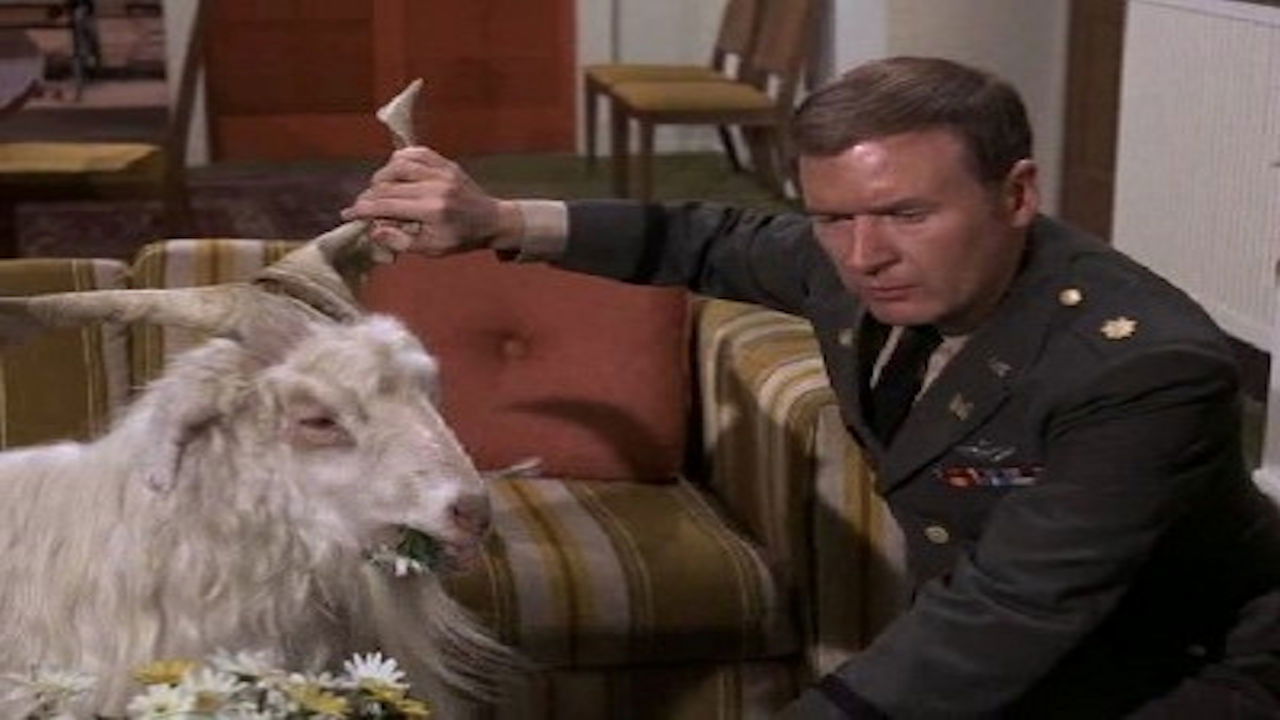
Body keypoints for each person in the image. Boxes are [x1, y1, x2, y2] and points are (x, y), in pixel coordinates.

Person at [342, 57, 1280, 718]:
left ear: (1018, 194)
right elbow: (703, 238)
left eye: (907, 212)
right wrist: (499, 219)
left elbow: (1015, 607)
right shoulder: (857, 258)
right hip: (1021, 649)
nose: (865, 256)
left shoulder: (1141, 367)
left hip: (1188, 669)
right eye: (832, 217)